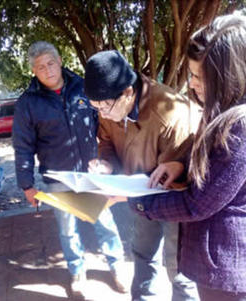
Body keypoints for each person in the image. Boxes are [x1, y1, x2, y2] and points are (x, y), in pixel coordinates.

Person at [127, 15, 246, 301]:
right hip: (221, 266)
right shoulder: (229, 111)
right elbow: (216, 161)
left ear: (232, 74)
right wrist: (182, 164)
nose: (192, 85)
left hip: (232, 270)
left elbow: (197, 203)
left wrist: (136, 201)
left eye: (199, 77)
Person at [12, 41, 127, 299]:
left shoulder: (84, 88)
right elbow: (22, 146)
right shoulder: (28, 103)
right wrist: (26, 185)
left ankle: (117, 265)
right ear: (33, 71)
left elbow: (106, 124)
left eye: (51, 63)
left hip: (92, 172)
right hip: (57, 178)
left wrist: (113, 162)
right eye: (40, 67)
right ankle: (77, 271)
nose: (48, 70)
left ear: (60, 61)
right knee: (67, 229)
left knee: (105, 220)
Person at [84, 50, 200, 301]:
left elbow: (177, 179)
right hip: (137, 195)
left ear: (128, 92)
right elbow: (106, 142)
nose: (102, 114)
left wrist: (126, 196)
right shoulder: (109, 103)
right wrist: (107, 165)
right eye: (96, 108)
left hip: (173, 202)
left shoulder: (170, 113)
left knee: (179, 270)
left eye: (104, 107)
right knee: (143, 255)